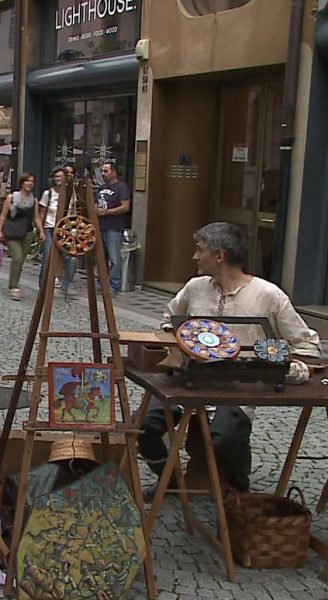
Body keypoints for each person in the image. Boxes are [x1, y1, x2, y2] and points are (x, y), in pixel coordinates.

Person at [138, 222, 321, 493]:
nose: (195, 256)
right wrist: (177, 347)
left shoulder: (268, 295)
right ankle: (171, 480)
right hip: (189, 382)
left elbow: (308, 346)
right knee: (143, 426)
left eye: (200, 250)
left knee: (225, 441)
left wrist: (277, 363)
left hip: (237, 389)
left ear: (219, 256)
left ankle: (239, 492)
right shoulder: (195, 287)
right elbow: (169, 319)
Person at [0, 172, 41, 300]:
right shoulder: (11, 198)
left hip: (27, 233)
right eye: (27, 181)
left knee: (21, 260)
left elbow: (36, 217)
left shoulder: (34, 200)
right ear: (21, 183)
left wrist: (41, 231)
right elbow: (3, 216)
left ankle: (15, 280)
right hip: (12, 232)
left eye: (32, 181)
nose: (30, 183)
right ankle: (14, 286)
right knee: (17, 257)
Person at [37, 168, 76, 294]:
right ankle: (43, 285)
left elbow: (73, 213)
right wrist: (41, 231)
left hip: (66, 230)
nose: (59, 179)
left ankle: (68, 283)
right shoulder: (48, 193)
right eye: (57, 176)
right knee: (47, 258)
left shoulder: (71, 194)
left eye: (61, 176)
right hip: (50, 228)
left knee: (71, 258)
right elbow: (42, 213)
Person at [95, 161, 131, 295]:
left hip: (114, 227)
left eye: (106, 171)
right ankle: (101, 283)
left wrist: (107, 212)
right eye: (102, 171)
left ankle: (114, 285)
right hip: (100, 226)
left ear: (114, 172)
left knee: (114, 258)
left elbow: (125, 207)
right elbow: (96, 203)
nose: (103, 174)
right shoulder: (101, 188)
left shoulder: (122, 187)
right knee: (101, 257)